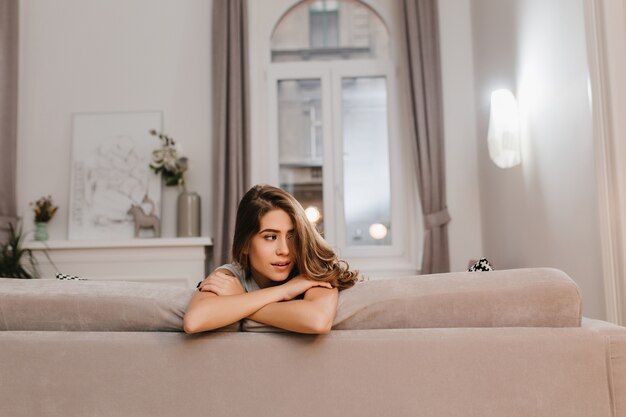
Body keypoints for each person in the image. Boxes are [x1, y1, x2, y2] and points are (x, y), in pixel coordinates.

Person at [183, 184, 358, 334]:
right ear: (244, 244)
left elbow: (317, 321)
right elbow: (194, 321)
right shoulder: (232, 275)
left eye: (291, 236)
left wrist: (240, 299)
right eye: (270, 237)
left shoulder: (312, 270)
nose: (284, 250)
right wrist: (284, 291)